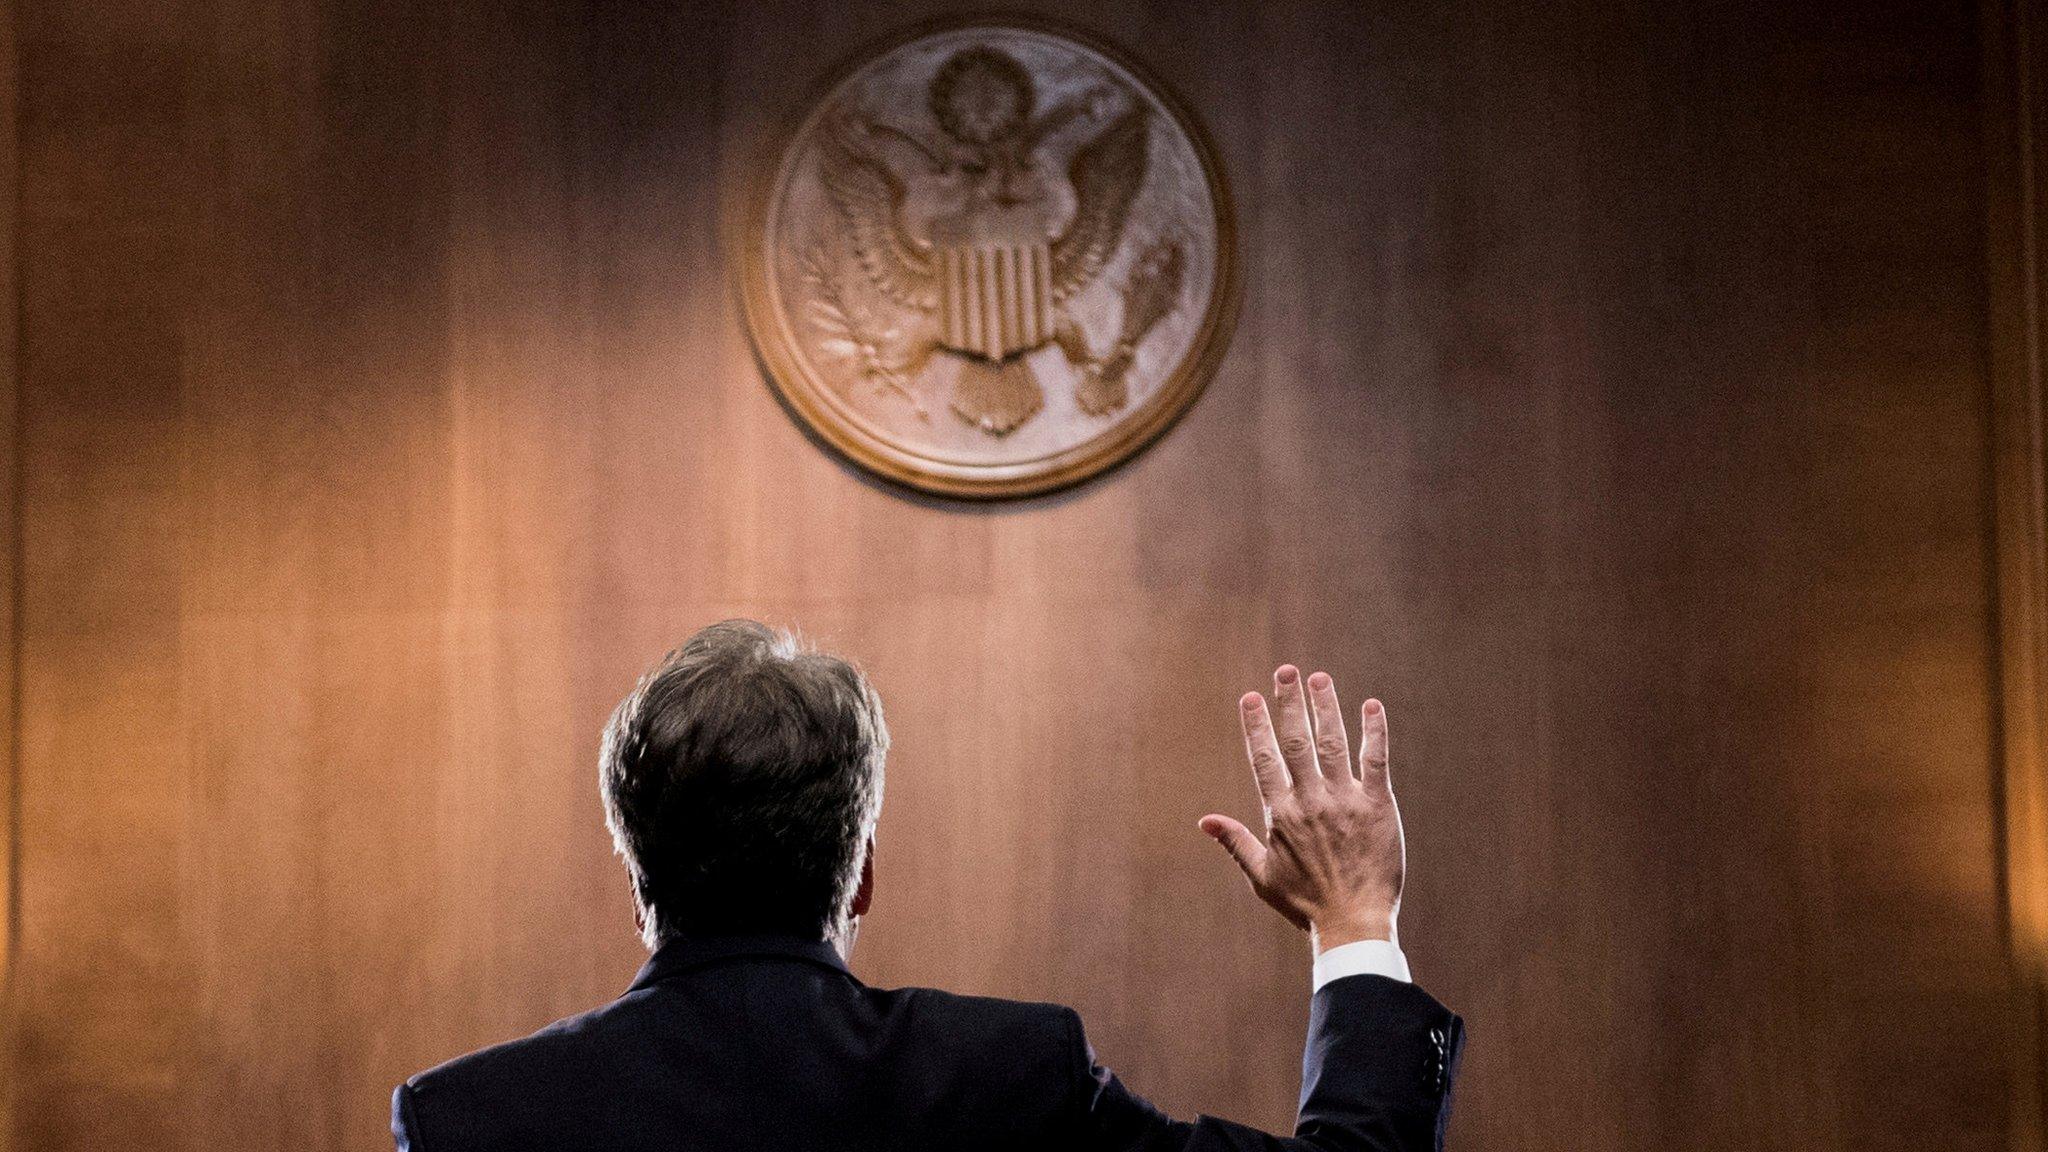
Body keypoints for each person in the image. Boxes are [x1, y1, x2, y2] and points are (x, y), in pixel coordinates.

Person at [392, 620, 1463, 1151]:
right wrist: (1354, 918)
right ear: (860, 877)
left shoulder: (466, 1122)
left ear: (638, 884)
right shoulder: (1005, 1078)